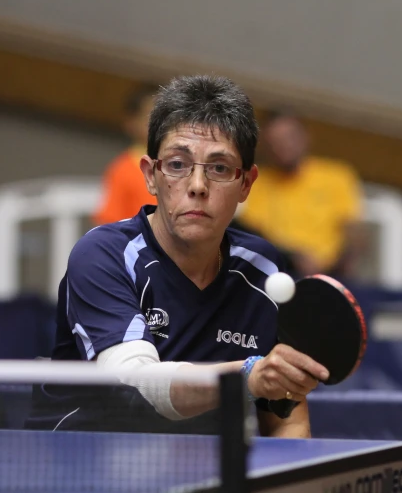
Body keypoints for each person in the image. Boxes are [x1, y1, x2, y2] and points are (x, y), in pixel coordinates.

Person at [26, 75, 328, 438]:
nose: (198, 186)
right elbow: (138, 382)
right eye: (177, 164)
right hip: (82, 466)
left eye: (219, 168)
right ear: (151, 176)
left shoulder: (262, 269)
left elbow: (286, 417)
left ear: (246, 183)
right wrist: (248, 375)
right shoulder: (104, 256)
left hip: (203, 470)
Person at [234, 110, 363, 278]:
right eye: (275, 141)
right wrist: (292, 257)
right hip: (277, 273)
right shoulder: (255, 182)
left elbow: (353, 230)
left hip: (330, 275)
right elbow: (252, 236)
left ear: (306, 137)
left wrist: (338, 266)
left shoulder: (336, 176)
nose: (284, 146)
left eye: (290, 137)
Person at [92, 87, 158, 225]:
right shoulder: (122, 170)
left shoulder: (183, 164)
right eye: (150, 117)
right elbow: (108, 223)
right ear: (131, 123)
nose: (158, 124)